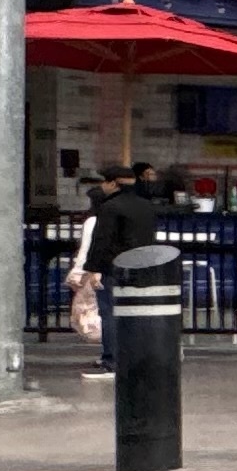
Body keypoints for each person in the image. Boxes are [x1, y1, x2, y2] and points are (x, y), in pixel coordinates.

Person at [69, 163, 157, 381]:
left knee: (110, 314)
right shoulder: (146, 206)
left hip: (114, 269)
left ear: (113, 184)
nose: (102, 186)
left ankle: (111, 362)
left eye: (104, 181)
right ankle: (133, 359)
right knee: (134, 316)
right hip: (141, 268)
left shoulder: (110, 208)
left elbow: (102, 242)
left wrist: (91, 270)